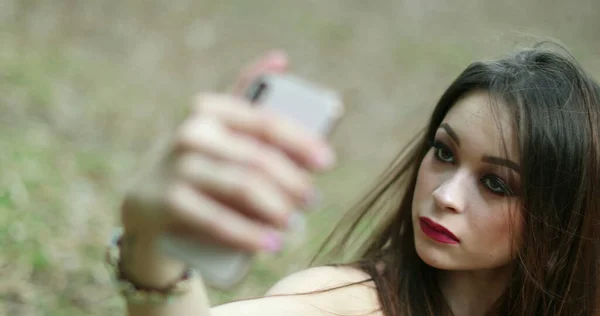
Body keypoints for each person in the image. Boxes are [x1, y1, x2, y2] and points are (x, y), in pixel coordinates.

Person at [108, 44, 600, 316]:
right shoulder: (344, 301)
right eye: (444, 153)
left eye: (496, 184)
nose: (445, 195)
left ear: (564, 225)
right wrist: (152, 247)